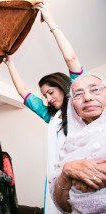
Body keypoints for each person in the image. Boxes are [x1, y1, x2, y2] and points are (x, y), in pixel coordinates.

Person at [3, 1, 86, 213]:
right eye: (44, 95)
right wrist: (10, 63)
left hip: (83, 183)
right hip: (56, 182)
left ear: (63, 86)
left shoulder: (78, 106)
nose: (47, 99)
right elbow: (24, 92)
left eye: (50, 92)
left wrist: (50, 20)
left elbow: (71, 58)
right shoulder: (53, 117)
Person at [49, 74, 106, 213]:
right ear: (72, 106)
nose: (87, 97)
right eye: (78, 94)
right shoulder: (69, 146)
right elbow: (63, 206)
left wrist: (88, 175)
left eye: (95, 90)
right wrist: (67, 171)